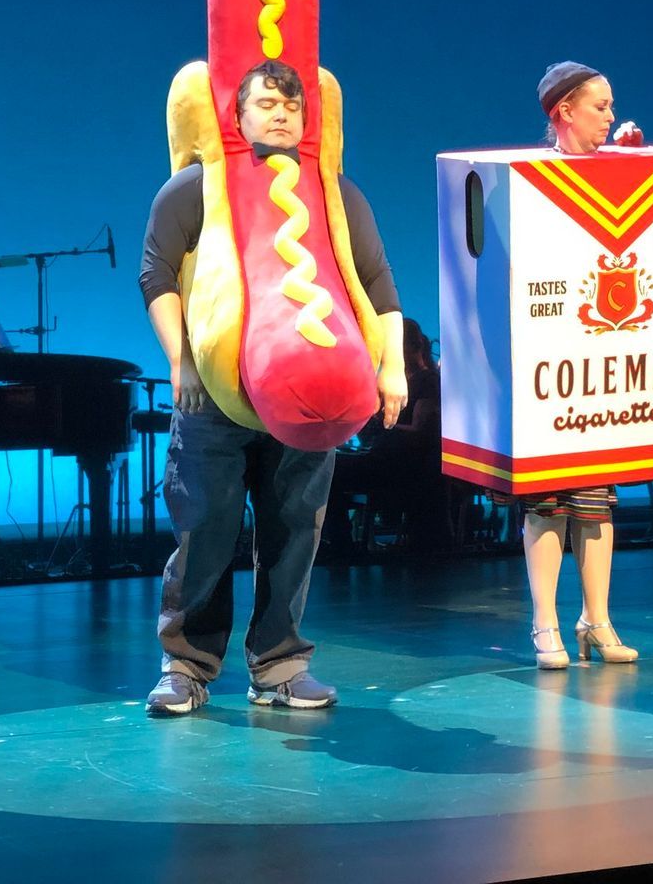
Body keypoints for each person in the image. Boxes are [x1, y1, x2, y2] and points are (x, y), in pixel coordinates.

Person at [140, 60, 407, 715]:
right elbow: (158, 275)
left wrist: (390, 366)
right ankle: (187, 666)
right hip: (216, 395)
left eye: (292, 105)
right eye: (266, 103)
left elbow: (374, 282)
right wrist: (183, 363)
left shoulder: (335, 193)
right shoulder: (197, 188)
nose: (282, 114)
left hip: (307, 394)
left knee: (294, 529)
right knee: (206, 529)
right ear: (238, 116)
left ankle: (280, 665)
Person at [517, 61, 640, 669]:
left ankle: (597, 619)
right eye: (601, 106)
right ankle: (545, 625)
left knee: (596, 499)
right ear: (564, 111)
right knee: (547, 499)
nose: (611, 117)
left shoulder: (616, 176)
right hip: (547, 362)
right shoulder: (534, 178)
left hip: (599, 359)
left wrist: (638, 168)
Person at [328, 319, 453, 553]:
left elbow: (421, 431)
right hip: (390, 461)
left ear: (412, 348)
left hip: (407, 468)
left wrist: (380, 426)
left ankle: (340, 546)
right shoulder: (397, 384)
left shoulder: (427, 381)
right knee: (328, 467)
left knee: (330, 471)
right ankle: (338, 542)